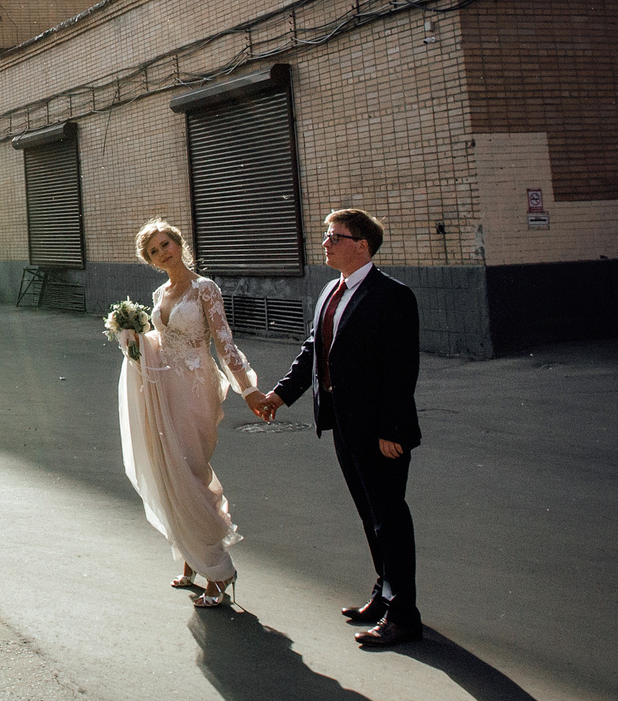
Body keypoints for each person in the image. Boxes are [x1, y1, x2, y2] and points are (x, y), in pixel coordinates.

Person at [247, 206, 426, 648]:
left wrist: (392, 429)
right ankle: (384, 595)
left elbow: (401, 369)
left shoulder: (392, 295)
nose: (325, 243)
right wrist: (280, 395)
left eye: (335, 237)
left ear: (362, 246)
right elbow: (314, 350)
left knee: (389, 518)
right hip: (342, 422)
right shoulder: (331, 289)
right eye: (326, 236)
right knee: (370, 515)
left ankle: (405, 615)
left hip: (380, 431)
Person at [124, 217, 259, 608]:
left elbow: (224, 342)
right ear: (151, 261)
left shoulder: (205, 289)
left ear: (178, 243)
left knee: (191, 471)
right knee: (170, 469)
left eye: (165, 244)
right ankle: (191, 557)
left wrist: (248, 388)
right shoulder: (159, 292)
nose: (162, 253)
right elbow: (159, 340)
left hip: (196, 387)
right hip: (163, 388)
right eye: (154, 251)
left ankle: (218, 569)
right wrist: (131, 338)